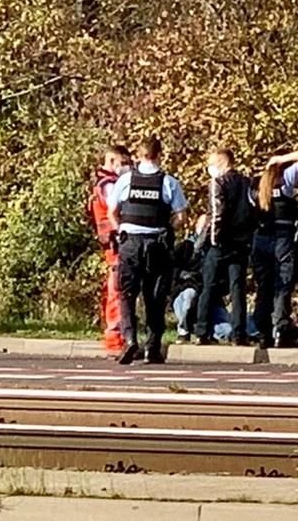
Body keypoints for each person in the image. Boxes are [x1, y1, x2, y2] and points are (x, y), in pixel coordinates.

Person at [105, 137, 187, 365]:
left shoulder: (125, 180)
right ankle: (152, 347)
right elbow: (181, 216)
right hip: (156, 243)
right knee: (155, 296)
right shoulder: (168, 182)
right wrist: (168, 228)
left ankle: (130, 339)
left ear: (138, 156)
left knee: (127, 294)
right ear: (159, 154)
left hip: (130, 243)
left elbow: (112, 212)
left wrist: (119, 230)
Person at [192, 146, 256, 346]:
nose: (209, 168)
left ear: (221, 162)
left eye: (211, 163)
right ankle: (239, 333)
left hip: (221, 242)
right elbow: (253, 211)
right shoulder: (247, 183)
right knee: (237, 289)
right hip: (240, 243)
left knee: (208, 286)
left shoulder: (218, 182)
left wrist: (212, 240)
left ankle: (202, 330)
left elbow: (217, 213)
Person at [252, 145, 298, 350]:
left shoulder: (256, 186)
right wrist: (281, 158)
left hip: (260, 240)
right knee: (282, 286)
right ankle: (281, 331)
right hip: (283, 239)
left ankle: (263, 332)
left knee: (264, 286)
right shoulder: (286, 179)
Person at [88, 144, 131, 356]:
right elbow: (119, 209)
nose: (126, 168)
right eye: (123, 163)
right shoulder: (109, 185)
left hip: (112, 243)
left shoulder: (103, 182)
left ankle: (118, 336)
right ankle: (116, 340)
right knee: (117, 288)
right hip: (116, 243)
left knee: (115, 288)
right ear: (112, 161)